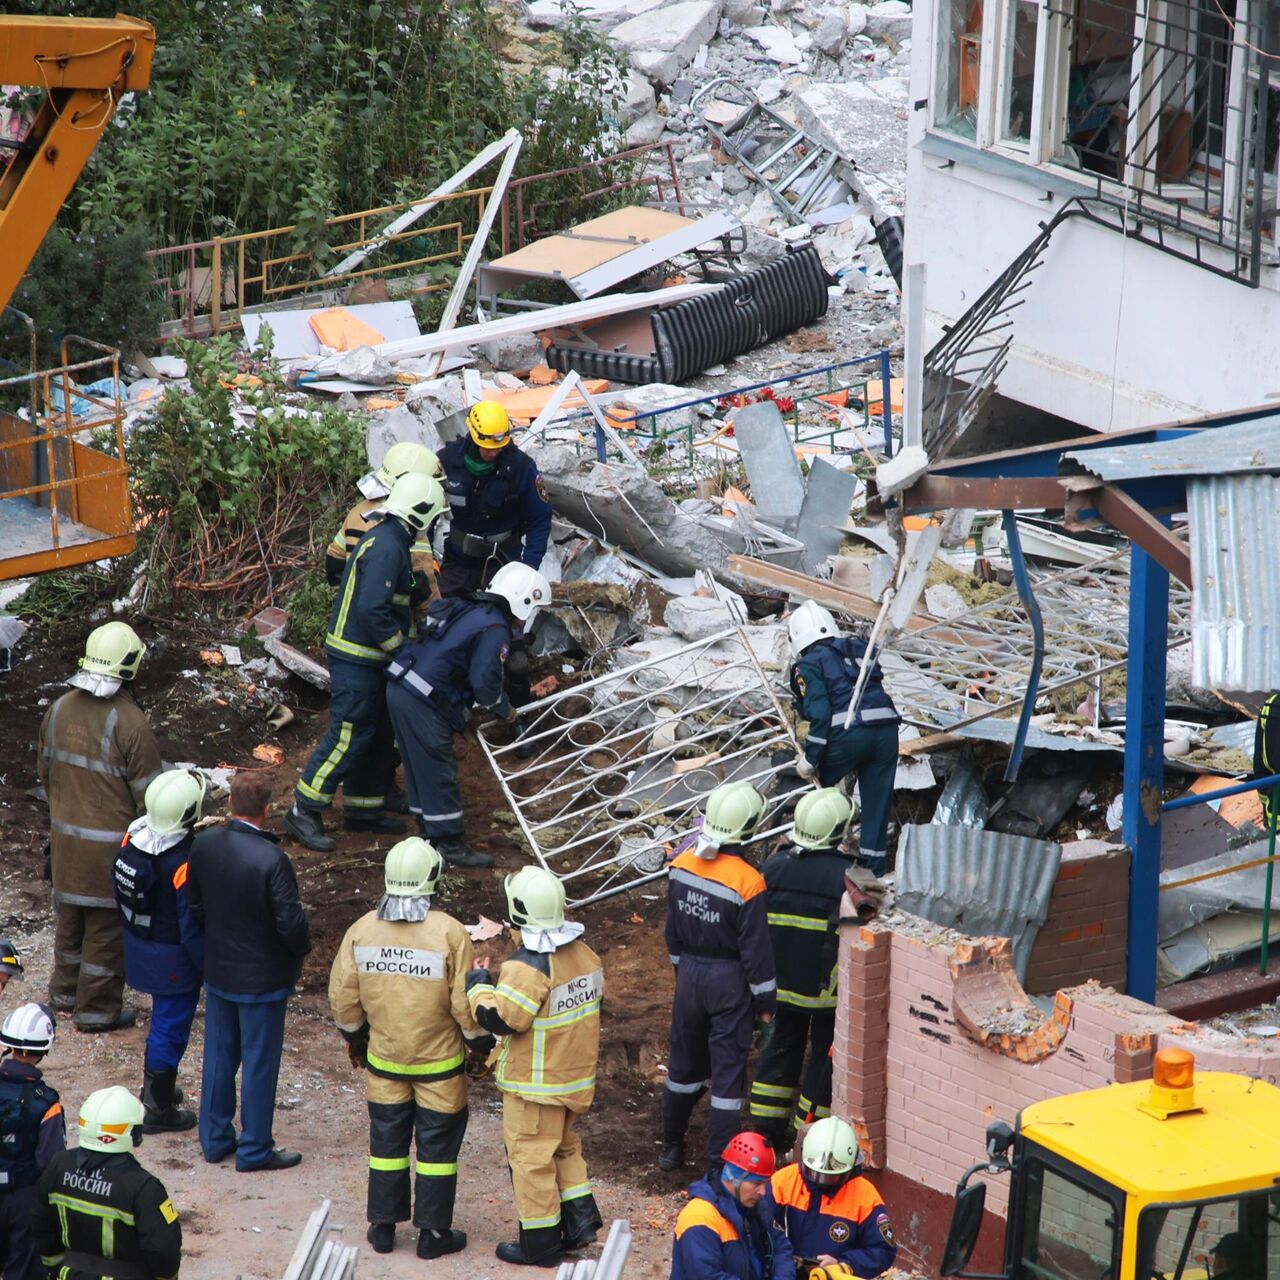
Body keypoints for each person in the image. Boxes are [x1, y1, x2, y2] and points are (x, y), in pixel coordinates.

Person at [328, 838, 493, 1260]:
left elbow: (343, 998)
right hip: (439, 1067)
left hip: (384, 1063)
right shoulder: (450, 933)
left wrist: (356, 1039)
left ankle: (383, 1227)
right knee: (437, 1152)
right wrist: (480, 1045)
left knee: (386, 1144)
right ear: (433, 879)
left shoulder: (362, 930)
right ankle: (433, 1235)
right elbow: (463, 1005)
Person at [285, 471, 448, 853]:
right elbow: (373, 609)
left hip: (366, 656)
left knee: (372, 733)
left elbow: (385, 594)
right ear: (422, 514)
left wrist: (411, 588)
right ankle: (303, 809)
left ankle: (363, 809)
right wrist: (400, 650)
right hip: (358, 657)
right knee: (349, 733)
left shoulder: (392, 539)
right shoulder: (389, 545)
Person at [467, 867, 603, 1268]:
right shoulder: (584, 954)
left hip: (535, 1087)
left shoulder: (528, 965)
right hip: (572, 1080)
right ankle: (579, 1225)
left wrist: (478, 985)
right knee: (563, 1149)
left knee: (530, 1162)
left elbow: (502, 1019)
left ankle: (539, 1245)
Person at [385, 562, 552, 869]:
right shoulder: (495, 627)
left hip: (402, 687)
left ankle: (429, 834)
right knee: (437, 767)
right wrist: (506, 710)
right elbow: (485, 684)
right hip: (424, 699)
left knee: (418, 766)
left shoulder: (471, 610)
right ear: (522, 601)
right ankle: (448, 843)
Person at [37, 621, 161, 1031]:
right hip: (109, 855)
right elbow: (151, 799)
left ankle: (63, 996)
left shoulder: (58, 709)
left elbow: (46, 774)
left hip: (65, 846)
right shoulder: (131, 723)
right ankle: (95, 1012)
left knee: (70, 924)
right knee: (106, 936)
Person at [187, 772, 310, 1172]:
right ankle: (255, 1149)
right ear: (267, 810)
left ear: (228, 805)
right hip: (263, 980)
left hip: (220, 970)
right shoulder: (272, 859)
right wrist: (299, 952)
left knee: (220, 1057)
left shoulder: (204, 845)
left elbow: (195, 903)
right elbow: (290, 924)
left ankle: (214, 1139)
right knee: (259, 1063)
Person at [660, 781, 776, 1174]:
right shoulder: (749, 881)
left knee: (682, 1066)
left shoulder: (681, 865)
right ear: (748, 826)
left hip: (690, 975)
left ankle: (671, 1148)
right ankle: (716, 1164)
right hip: (729, 982)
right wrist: (765, 1007)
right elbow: (757, 955)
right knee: (727, 1078)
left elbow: (672, 933)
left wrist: (683, 973)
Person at [748, 789, 853, 1144]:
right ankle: (804, 1129)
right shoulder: (848, 877)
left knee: (780, 1046)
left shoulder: (773, 867)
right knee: (823, 1058)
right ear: (839, 830)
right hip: (825, 994)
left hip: (779, 985)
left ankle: (764, 1126)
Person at [439, 403, 553, 722]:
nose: (492, 454)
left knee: (513, 654)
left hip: (506, 566)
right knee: (449, 638)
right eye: (487, 447)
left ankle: (519, 717)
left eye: (498, 448)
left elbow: (541, 521)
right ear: (474, 437)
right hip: (460, 565)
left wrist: (526, 570)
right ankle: (456, 712)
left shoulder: (521, 468)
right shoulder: (448, 462)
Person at [113, 769, 206, 1134]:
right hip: (172, 960)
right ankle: (157, 1107)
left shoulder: (131, 837)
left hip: (138, 947)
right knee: (169, 1029)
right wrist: (207, 966)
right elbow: (191, 926)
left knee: (162, 1024)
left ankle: (158, 1089)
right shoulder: (182, 863)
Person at [787, 601, 901, 877]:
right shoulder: (859, 649)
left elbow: (822, 715)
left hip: (850, 734)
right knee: (877, 803)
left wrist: (811, 759)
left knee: (815, 788)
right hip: (886, 732)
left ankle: (817, 851)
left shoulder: (809, 664)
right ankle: (872, 874)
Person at [34, 1086, 181, 1280]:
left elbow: (41, 1223)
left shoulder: (58, 1166)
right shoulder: (144, 1188)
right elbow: (164, 1251)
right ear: (132, 1133)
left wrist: (55, 1268)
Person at [772, 1118, 896, 1278]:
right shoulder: (783, 1183)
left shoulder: (864, 1196)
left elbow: (882, 1251)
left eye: (831, 1177)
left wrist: (842, 1265)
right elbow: (761, 1233)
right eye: (815, 1174)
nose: (822, 1182)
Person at [326, 441, 444, 599]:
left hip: (354, 610)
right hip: (390, 617)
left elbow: (334, 561)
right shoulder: (410, 528)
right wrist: (435, 616)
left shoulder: (357, 512)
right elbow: (424, 588)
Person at [671, 1131, 792, 1280]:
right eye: (756, 1183)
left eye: (765, 1183)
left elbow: (781, 1248)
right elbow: (706, 1276)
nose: (762, 1192)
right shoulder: (699, 1218)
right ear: (733, 1178)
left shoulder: (754, 1205)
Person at [0, 1004, 64, 1280]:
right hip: (23, 1199)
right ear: (44, 1049)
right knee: (24, 1270)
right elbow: (51, 1163)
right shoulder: (46, 1103)